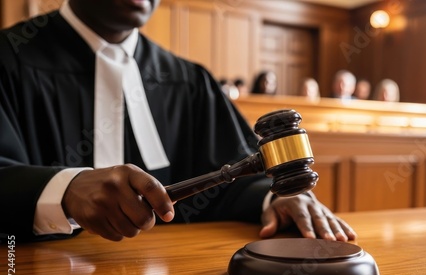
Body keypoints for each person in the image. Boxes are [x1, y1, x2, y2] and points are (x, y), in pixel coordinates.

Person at [0, 0, 356, 243]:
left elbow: (229, 177)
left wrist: (272, 198)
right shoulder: (7, 58)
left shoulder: (190, 80)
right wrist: (63, 189)